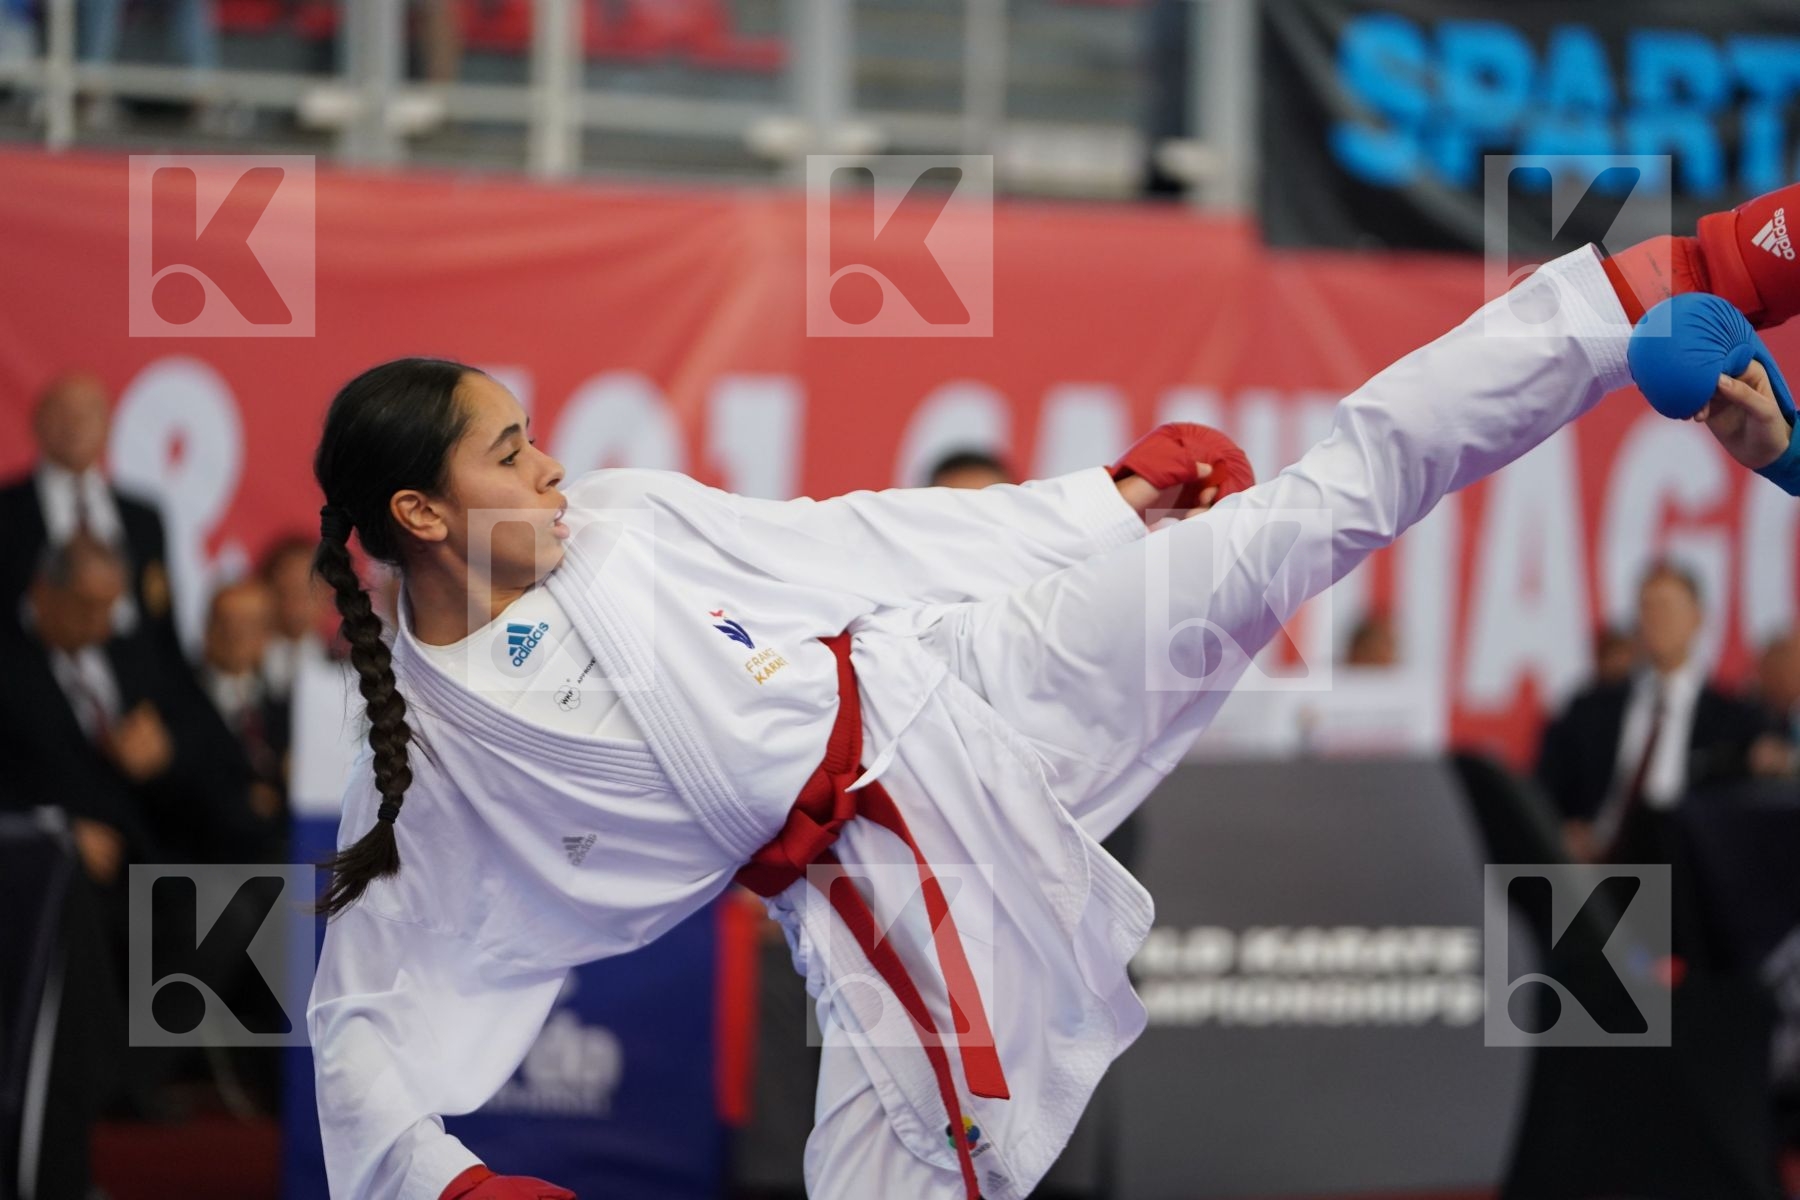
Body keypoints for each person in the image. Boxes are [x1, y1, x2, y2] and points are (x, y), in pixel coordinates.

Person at [308, 186, 1800, 1200]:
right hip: (870, 889)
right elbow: (357, 1016)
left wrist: (1107, 503)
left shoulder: (623, 520)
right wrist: (446, 1182)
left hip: (968, 682)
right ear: (424, 517)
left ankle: (1682, 274)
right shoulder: (429, 764)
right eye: (508, 453)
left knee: (1308, 513)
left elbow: (856, 541)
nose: (552, 462)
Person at [1536, 561, 1765, 864]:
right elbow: (1545, 789)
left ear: (1697, 618)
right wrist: (1564, 829)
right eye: (1647, 609)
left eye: (1667, 608)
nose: (1657, 620)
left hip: (1691, 869)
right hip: (1601, 865)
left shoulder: (1736, 720)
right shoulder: (1590, 708)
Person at [0, 371, 179, 654]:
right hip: (33, 671)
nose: (75, 425)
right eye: (62, 413)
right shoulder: (8, 510)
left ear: (109, 428)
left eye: (89, 414)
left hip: (129, 674)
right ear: (36, 424)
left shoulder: (143, 517)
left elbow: (162, 624)